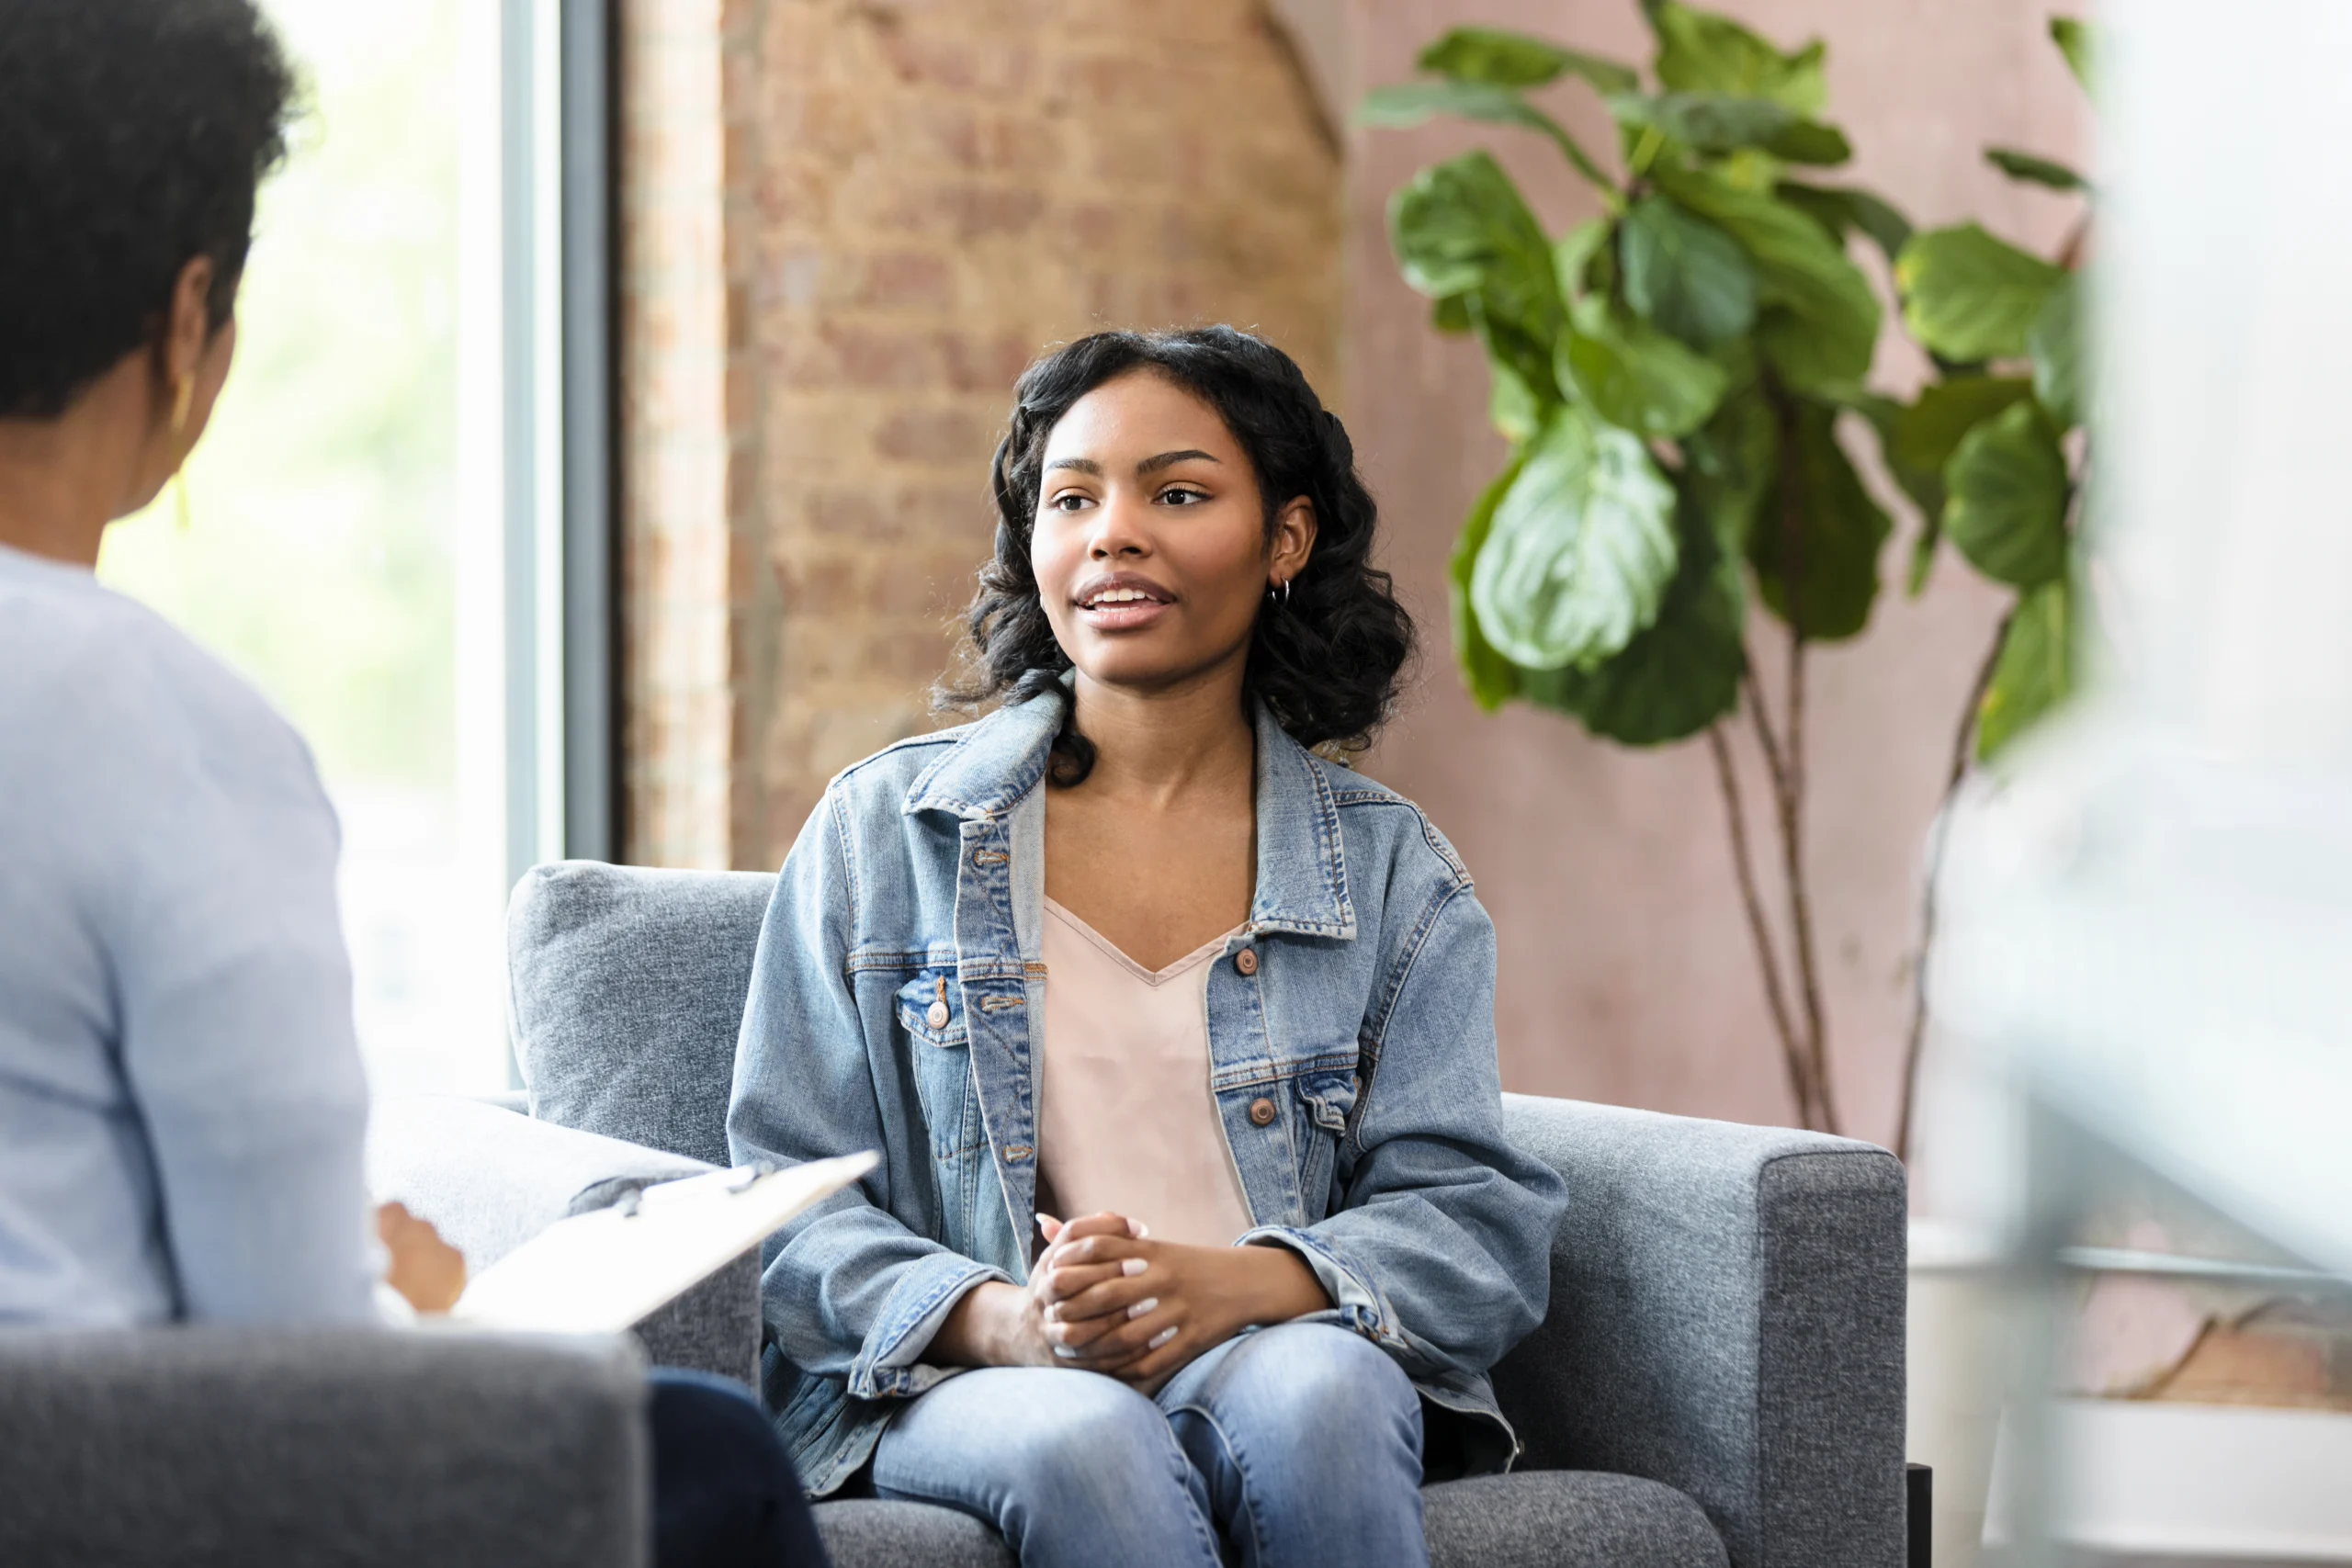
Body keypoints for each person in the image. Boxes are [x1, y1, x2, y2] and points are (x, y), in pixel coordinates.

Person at [0, 4, 826, 1564]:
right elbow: (298, 1347)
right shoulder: (175, 731)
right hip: (95, 1491)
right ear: (190, 322)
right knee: (702, 1448)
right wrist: (421, 1307)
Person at [729, 325, 1571, 1566]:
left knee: (1330, 1396)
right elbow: (785, 1205)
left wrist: (1237, 1284)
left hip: (1270, 1349)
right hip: (978, 1378)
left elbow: (1475, 1227)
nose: (1113, 532)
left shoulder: (1395, 873)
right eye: (1073, 498)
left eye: (1177, 493)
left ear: (1286, 538)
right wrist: (1010, 1319)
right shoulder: (881, 835)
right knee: (1086, 1437)